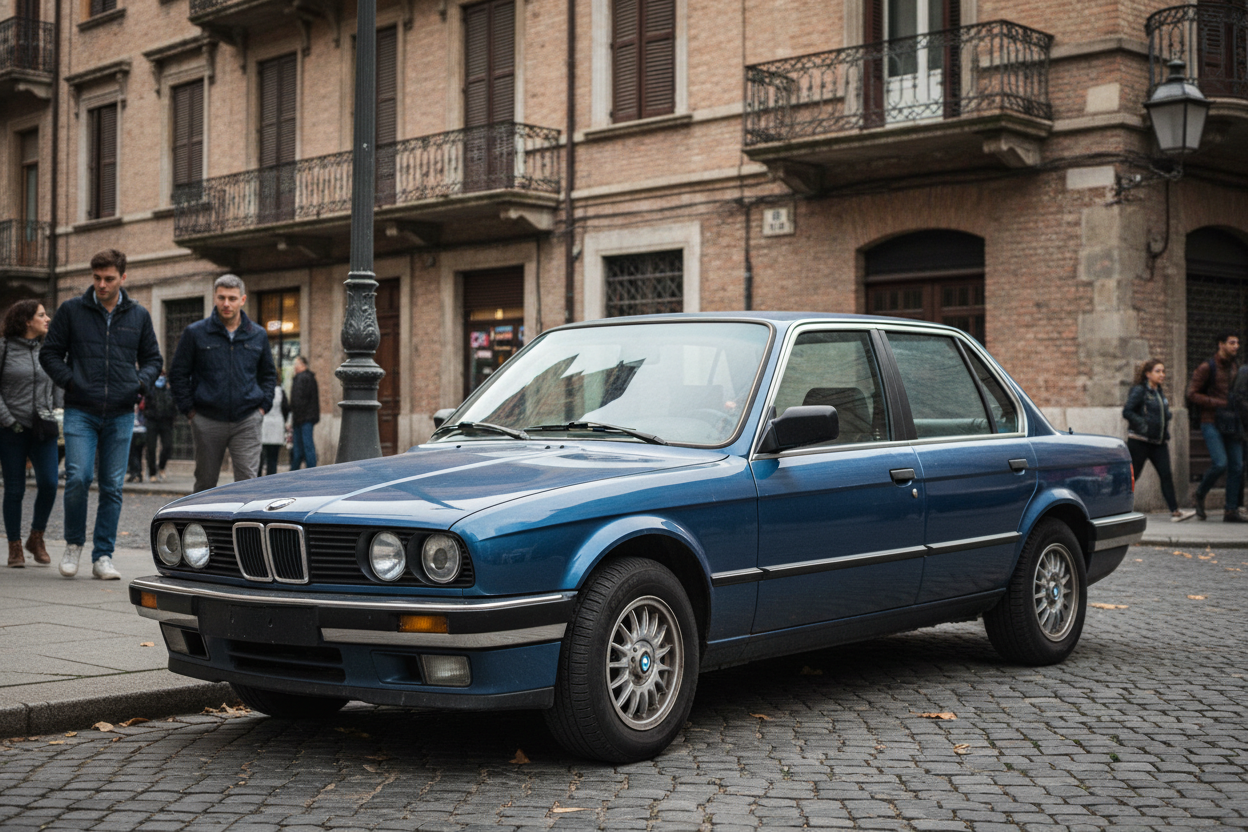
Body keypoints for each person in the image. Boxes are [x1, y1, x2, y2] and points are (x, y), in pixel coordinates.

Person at [40, 249, 163, 579]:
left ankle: (103, 555)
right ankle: (73, 544)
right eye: (96, 278)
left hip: (121, 412)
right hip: (81, 409)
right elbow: (50, 353)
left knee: (112, 486)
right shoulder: (72, 311)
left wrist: (139, 383)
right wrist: (71, 381)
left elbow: (153, 358)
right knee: (79, 477)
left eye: (109, 279)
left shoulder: (138, 315)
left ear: (123, 278)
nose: (102, 284)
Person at [169, 274, 276, 493]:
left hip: (247, 419)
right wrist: (190, 411)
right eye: (222, 297)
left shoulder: (258, 335)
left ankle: (245, 527)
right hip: (207, 420)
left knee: (248, 483)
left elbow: (268, 375)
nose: (226, 303)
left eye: (232, 298)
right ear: (215, 298)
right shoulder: (195, 333)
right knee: (205, 484)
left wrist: (263, 407)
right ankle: (202, 527)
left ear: (242, 300)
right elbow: (178, 373)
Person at [0, 300, 59, 567]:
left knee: (49, 483)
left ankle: (36, 537)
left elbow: (56, 383)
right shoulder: (4, 348)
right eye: (41, 315)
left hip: (42, 427)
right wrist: (8, 419)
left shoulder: (48, 349)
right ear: (26, 321)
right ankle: (14, 547)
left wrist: (56, 410)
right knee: (14, 489)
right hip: (11, 428)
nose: (47, 319)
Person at [1123, 360, 1194, 523]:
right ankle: (1119, 509)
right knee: (1132, 476)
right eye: (1158, 371)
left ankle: (1175, 512)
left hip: (1158, 442)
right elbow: (1128, 411)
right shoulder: (1140, 391)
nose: (1162, 374)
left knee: (1166, 475)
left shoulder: (1159, 392)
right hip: (1140, 441)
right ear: (1148, 374)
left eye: (1163, 371)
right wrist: (1143, 426)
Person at [1186, 331, 1245, 523]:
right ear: (1221, 344)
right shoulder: (1207, 367)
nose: (1236, 346)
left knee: (1237, 465)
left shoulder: (1235, 367)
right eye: (1231, 342)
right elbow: (1192, 394)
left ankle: (1231, 510)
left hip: (1232, 422)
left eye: (1237, 343)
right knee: (1220, 463)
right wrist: (1217, 402)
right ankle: (1200, 494)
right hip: (1210, 421)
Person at [144, 368, 176, 482]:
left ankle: (161, 467)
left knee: (167, 446)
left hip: (166, 421)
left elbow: (173, 403)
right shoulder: (150, 388)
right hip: (152, 421)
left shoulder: (169, 389)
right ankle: (152, 472)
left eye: (163, 375)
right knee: (151, 448)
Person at [290, 355, 320, 470]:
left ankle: (306, 471)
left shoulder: (302, 378)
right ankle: (296, 471)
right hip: (305, 417)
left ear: (303, 365)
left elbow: (299, 400)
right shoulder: (309, 378)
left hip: (302, 418)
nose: (295, 367)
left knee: (304, 447)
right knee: (302, 447)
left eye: (296, 364)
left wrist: (296, 416)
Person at [258, 373, 290, 476]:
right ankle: (271, 477)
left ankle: (258, 477)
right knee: (273, 458)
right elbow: (286, 409)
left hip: (263, 425)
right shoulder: (281, 392)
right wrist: (284, 421)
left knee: (260, 457)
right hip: (277, 426)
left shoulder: (261, 390)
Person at [127, 400, 147, 482]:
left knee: (133, 454)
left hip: (135, 431)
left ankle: (135, 472)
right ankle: (137, 473)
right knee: (137, 454)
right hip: (141, 431)